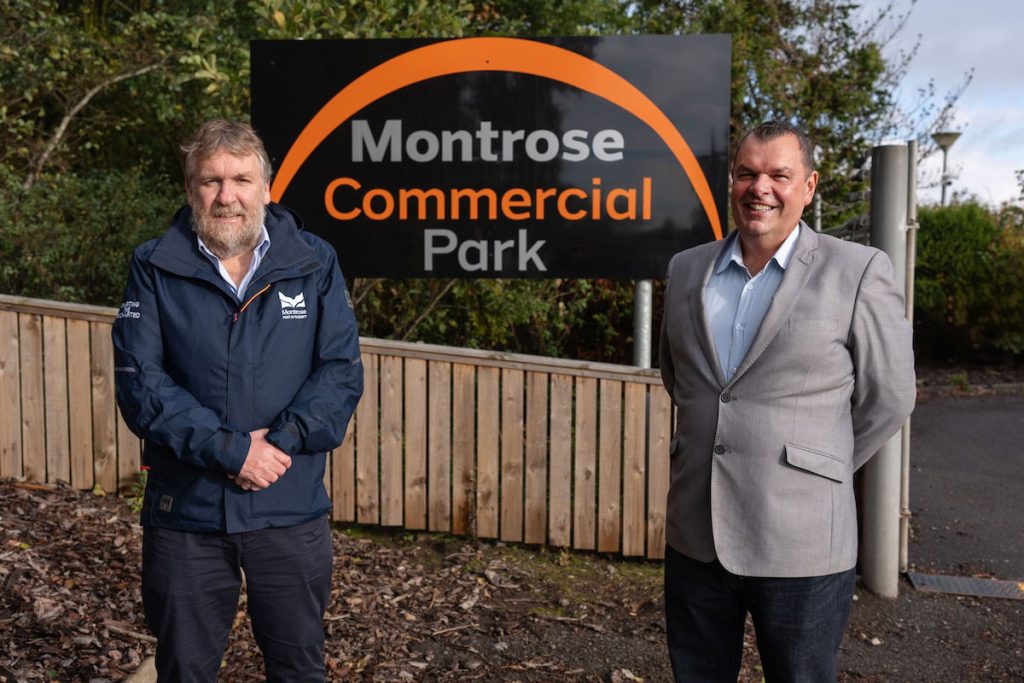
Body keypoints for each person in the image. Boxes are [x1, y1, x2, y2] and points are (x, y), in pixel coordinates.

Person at [658, 120, 915, 682]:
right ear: (732, 182)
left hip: (802, 540)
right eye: (747, 173)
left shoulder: (857, 271)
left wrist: (818, 466)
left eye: (779, 174)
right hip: (696, 532)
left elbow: (890, 396)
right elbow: (679, 378)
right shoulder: (685, 270)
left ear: (809, 186)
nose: (760, 188)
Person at [113, 119, 363, 681]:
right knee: (184, 669)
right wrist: (231, 452)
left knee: (298, 668)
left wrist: (277, 446)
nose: (226, 196)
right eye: (211, 181)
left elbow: (340, 373)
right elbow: (140, 384)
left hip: (289, 507)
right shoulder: (153, 266)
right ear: (189, 189)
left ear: (267, 188)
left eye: (241, 180)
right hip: (188, 515)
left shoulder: (314, 262)